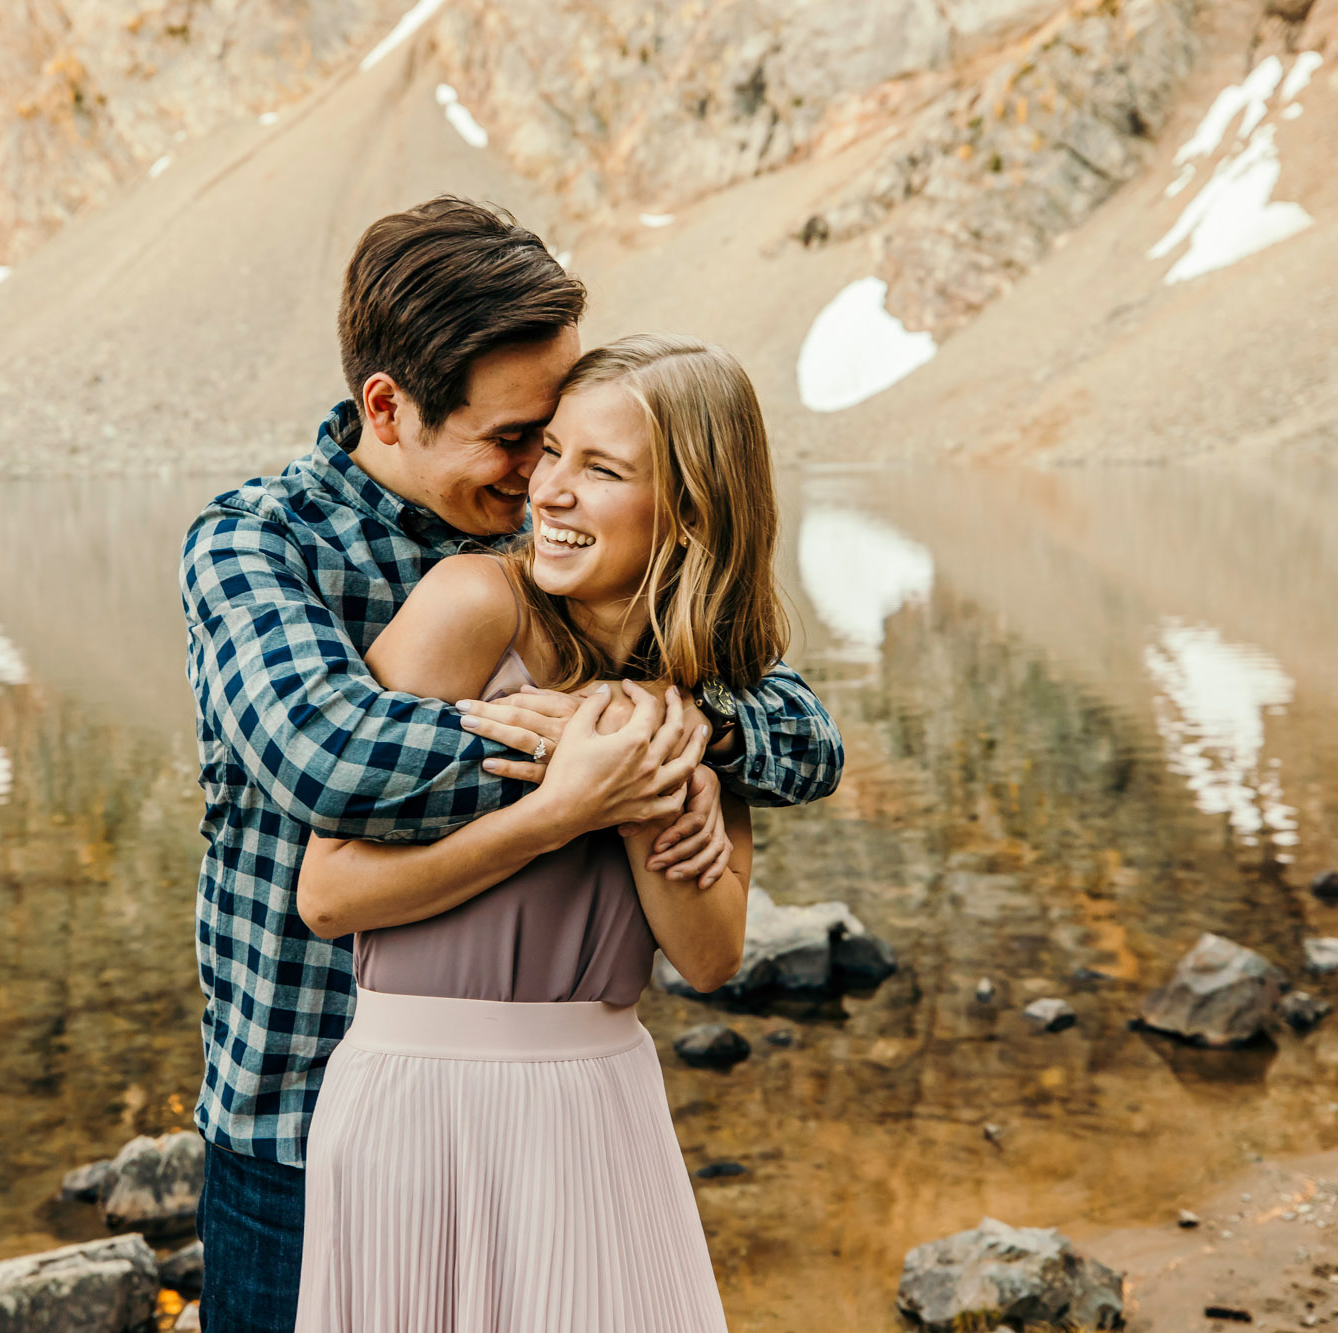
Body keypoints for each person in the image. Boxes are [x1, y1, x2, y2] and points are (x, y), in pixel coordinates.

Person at [181, 197, 843, 1332]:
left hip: (555, 1113)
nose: (540, 473)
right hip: (301, 1112)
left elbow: (798, 728)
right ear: (387, 407)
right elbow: (326, 758)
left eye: (561, 437)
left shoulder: (551, 546)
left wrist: (690, 727)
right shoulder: (258, 543)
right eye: (517, 440)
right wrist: (596, 761)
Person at [293, 334, 782, 1331]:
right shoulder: (472, 604)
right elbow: (328, 893)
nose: (548, 491)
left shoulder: (700, 687)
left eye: (599, 469)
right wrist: (562, 810)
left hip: (601, 1106)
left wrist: (643, 767)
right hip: (419, 1103)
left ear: (691, 511)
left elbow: (709, 953)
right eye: (549, 451)